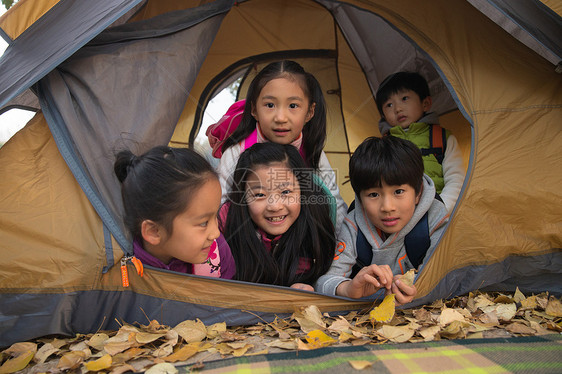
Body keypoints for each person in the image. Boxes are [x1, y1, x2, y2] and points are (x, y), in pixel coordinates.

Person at [315, 136, 449, 304]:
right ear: (360, 199)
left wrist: (416, 285)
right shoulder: (353, 226)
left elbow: (446, 274)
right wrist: (347, 288)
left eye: (399, 191)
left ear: (418, 193)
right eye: (373, 195)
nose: (387, 207)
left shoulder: (435, 218)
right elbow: (324, 282)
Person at [217, 60, 347, 233]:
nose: (280, 117)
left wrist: (339, 249)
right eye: (270, 105)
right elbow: (219, 205)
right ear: (254, 109)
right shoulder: (236, 152)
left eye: (293, 106)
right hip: (247, 241)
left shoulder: (312, 150)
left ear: (309, 112)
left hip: (298, 239)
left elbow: (334, 202)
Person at [222, 142, 335, 290]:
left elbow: (327, 273)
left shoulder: (315, 221)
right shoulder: (226, 223)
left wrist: (309, 286)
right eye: (260, 195)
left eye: (286, 192)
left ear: (302, 191)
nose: (275, 206)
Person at [114, 146, 235, 279]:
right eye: (203, 223)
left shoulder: (219, 253)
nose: (216, 233)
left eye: (215, 216)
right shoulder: (123, 272)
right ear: (154, 231)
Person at [375, 71, 464, 212]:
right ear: (383, 115)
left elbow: (456, 179)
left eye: (404, 98)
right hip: (396, 216)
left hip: (438, 213)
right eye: (389, 105)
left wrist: (441, 210)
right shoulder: (381, 146)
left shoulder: (442, 139)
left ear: (425, 103)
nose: (398, 109)